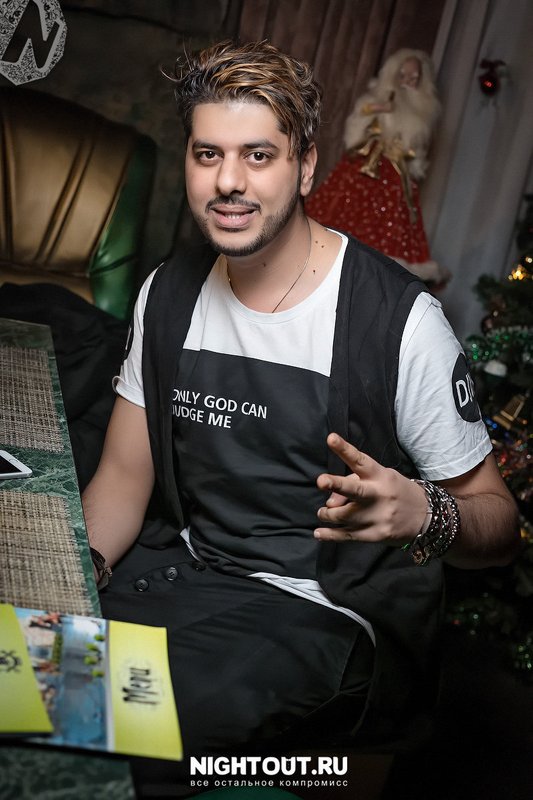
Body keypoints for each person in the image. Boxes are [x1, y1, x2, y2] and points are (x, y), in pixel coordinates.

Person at [82, 40, 519, 790]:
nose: (228, 181)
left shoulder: (398, 322)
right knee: (32, 682)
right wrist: (75, 579)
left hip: (318, 610)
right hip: (184, 570)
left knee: (116, 731)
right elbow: (123, 477)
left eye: (258, 155)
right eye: (208, 154)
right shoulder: (170, 291)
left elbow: (500, 526)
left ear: (306, 166)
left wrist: (427, 514)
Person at [305, 48, 448, 285]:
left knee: (385, 231)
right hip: (364, 167)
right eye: (403, 75)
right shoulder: (376, 100)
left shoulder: (422, 116)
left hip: (395, 177)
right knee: (342, 211)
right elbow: (356, 126)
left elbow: (417, 151)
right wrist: (378, 110)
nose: (407, 82)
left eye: (413, 78)